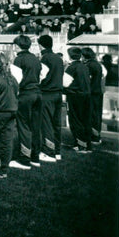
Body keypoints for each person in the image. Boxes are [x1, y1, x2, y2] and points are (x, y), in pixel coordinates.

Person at [10, 34, 44, 170]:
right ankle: (35, 157)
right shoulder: (35, 58)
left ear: (17, 46)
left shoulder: (19, 59)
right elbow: (42, 75)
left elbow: (15, 80)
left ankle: (24, 159)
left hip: (25, 94)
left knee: (23, 126)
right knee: (35, 126)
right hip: (37, 93)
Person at [37, 34, 64, 162]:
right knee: (56, 124)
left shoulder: (45, 58)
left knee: (47, 123)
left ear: (40, 45)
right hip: (59, 94)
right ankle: (57, 151)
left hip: (47, 94)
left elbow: (41, 77)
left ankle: (48, 152)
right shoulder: (59, 58)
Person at [63, 46, 93, 153]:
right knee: (85, 120)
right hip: (86, 95)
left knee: (75, 120)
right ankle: (87, 145)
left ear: (70, 55)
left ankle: (81, 145)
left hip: (75, 96)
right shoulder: (85, 66)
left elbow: (65, 83)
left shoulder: (71, 67)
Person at [82, 47, 105, 145]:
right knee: (97, 115)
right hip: (98, 92)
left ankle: (93, 136)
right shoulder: (98, 64)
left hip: (90, 93)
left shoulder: (88, 65)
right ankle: (97, 136)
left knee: (90, 115)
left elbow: (86, 80)